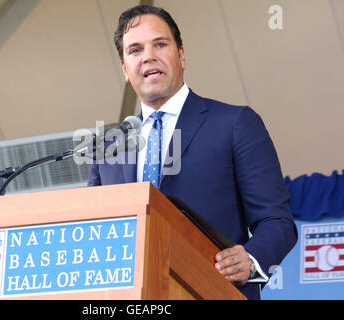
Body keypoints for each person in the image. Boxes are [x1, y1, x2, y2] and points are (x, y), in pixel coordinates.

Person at [87, 5, 297, 300]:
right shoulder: (108, 145)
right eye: (135, 50)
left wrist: (250, 260)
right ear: (125, 68)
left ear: (181, 55)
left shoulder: (235, 123)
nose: (148, 56)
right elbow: (94, 233)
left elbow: (277, 222)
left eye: (160, 44)